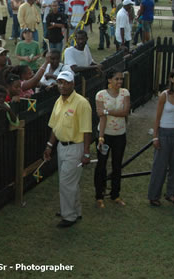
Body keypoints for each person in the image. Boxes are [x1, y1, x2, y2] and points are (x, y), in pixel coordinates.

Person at [43, 71, 92, 228]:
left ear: (73, 84)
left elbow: (86, 130)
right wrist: (49, 145)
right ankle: (74, 210)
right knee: (70, 183)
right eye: (60, 82)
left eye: (66, 83)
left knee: (66, 183)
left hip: (75, 147)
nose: (62, 86)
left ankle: (69, 216)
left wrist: (86, 153)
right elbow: (55, 126)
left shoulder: (82, 103)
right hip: (61, 147)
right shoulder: (59, 101)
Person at [148, 68, 174, 206]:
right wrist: (155, 137)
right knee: (160, 166)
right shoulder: (164, 95)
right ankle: (154, 195)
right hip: (164, 133)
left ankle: (172, 193)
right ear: (171, 79)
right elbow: (157, 117)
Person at [94, 70, 130, 208]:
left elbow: (125, 112)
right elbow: (101, 116)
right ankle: (99, 194)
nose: (119, 81)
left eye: (121, 79)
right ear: (109, 80)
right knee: (101, 165)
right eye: (117, 79)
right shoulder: (101, 95)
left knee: (117, 165)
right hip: (105, 135)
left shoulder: (125, 93)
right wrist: (101, 137)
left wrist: (107, 111)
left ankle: (115, 194)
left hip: (120, 135)